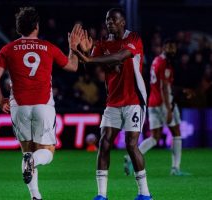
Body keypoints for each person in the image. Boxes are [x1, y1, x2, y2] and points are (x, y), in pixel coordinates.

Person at [0, 7, 82, 200]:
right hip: (43, 105)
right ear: (37, 27)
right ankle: (34, 168)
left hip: (19, 106)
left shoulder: (8, 49)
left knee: (27, 152)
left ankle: (35, 196)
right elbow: (73, 67)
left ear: (18, 29)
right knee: (46, 152)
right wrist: (73, 48)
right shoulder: (48, 47)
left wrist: (1, 100)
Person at [72, 8, 152, 200]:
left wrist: (91, 57)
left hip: (134, 99)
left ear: (123, 22)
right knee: (104, 143)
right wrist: (84, 51)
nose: (110, 23)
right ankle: (101, 195)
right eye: (108, 20)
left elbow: (120, 56)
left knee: (131, 145)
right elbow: (88, 64)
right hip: (113, 101)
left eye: (114, 20)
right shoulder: (102, 43)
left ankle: (145, 194)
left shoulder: (133, 38)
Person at [125, 39, 191, 176]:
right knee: (176, 133)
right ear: (163, 48)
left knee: (154, 137)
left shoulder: (156, 60)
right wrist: (168, 109)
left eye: (173, 47)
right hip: (163, 103)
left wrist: (180, 90)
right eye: (169, 47)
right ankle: (175, 169)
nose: (172, 50)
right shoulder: (165, 63)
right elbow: (164, 87)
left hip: (152, 102)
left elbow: (161, 84)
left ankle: (130, 157)